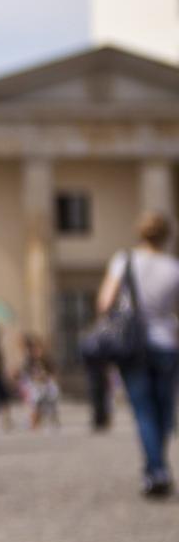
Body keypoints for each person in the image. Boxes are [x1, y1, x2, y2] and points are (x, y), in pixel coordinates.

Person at [97, 210, 179, 496]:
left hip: (133, 345)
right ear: (168, 235)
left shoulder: (124, 261)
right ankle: (159, 464)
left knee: (143, 410)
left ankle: (154, 469)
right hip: (166, 343)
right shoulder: (173, 267)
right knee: (164, 411)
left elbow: (104, 302)